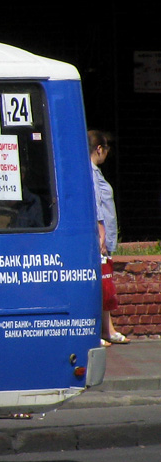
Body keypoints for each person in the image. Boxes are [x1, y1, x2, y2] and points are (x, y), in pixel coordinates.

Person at [90, 129, 125, 344]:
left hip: (103, 239)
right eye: (106, 149)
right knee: (100, 285)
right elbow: (96, 204)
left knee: (105, 283)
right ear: (99, 149)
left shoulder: (95, 172)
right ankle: (100, 330)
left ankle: (107, 328)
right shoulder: (91, 172)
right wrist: (101, 234)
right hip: (100, 239)